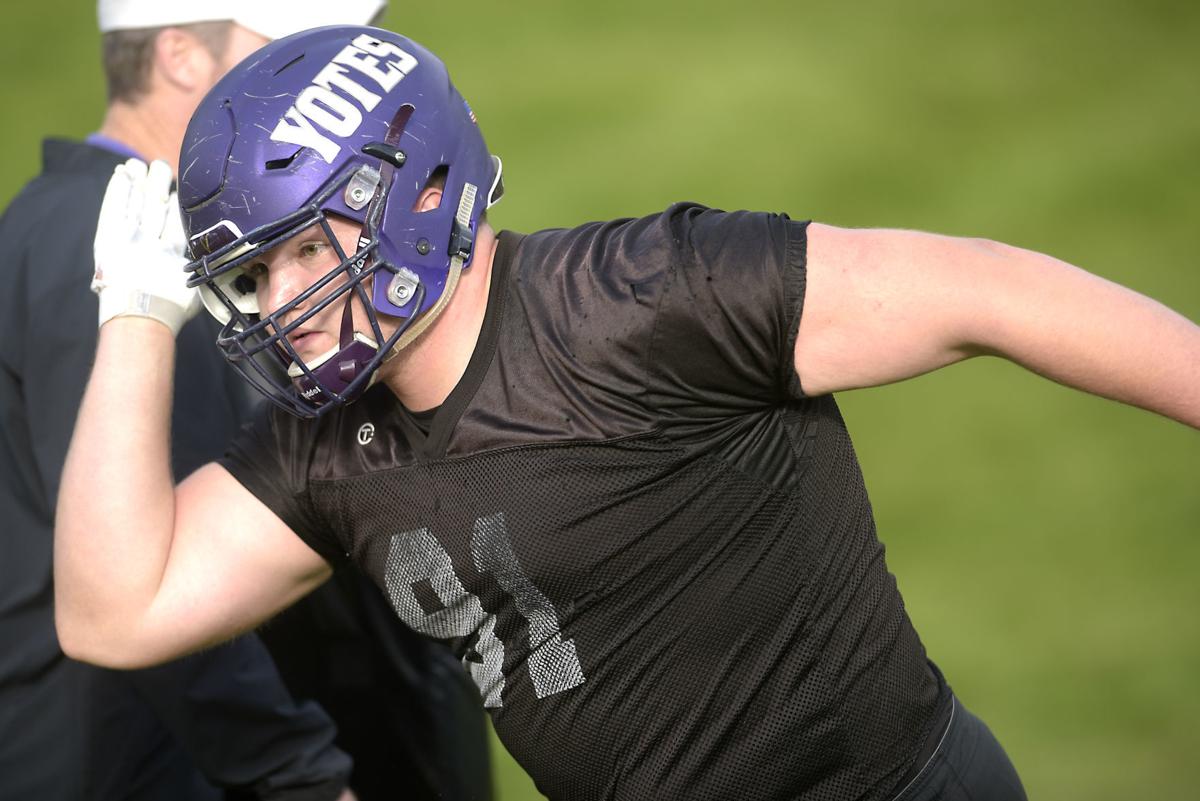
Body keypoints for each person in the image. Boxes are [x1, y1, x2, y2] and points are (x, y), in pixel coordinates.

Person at [55, 24, 1199, 801]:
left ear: (425, 192)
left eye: (307, 248)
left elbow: (989, 289)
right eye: (253, 276)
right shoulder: (325, 447)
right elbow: (116, 612)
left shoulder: (646, 297)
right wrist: (137, 321)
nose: (282, 304)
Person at [1, 6, 488, 801]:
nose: (327, 73)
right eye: (293, 54)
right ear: (180, 54)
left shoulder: (111, 227)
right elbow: (161, 568)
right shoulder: (123, 257)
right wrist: (304, 780)